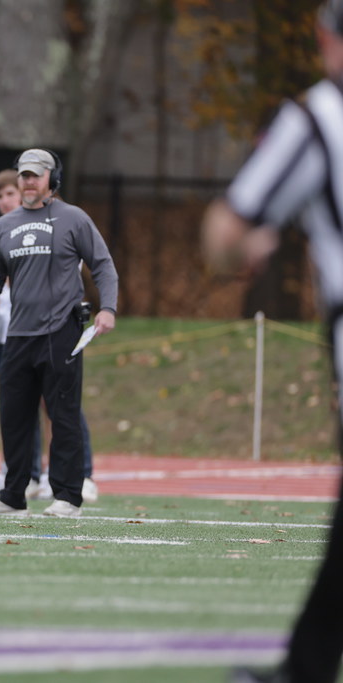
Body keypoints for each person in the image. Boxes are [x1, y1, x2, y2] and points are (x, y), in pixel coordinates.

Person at [205, 3, 343, 680]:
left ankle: (306, 667)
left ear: (324, 39)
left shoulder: (319, 116)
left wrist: (245, 244)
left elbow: (227, 229)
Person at [0, 148, 118, 519]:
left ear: (51, 178)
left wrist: (107, 309)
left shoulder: (73, 218)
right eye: (24, 175)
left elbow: (103, 265)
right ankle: (13, 495)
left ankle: (67, 497)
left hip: (62, 330)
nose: (28, 181)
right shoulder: (3, 226)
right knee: (13, 417)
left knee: (63, 415)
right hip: (19, 335)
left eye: (35, 175)